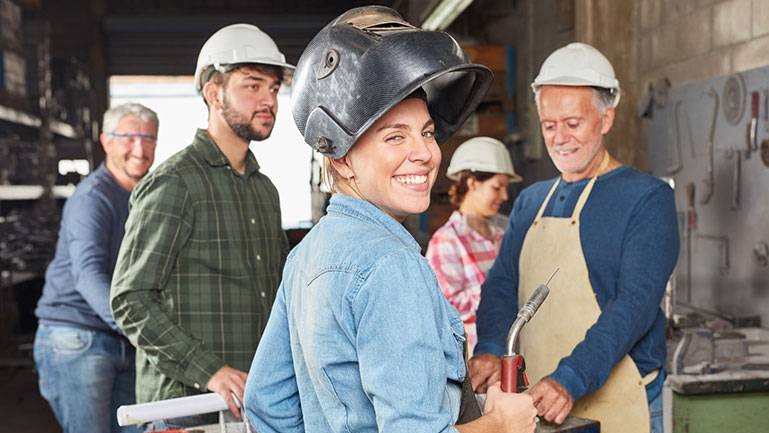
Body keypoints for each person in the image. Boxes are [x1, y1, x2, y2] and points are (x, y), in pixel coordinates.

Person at [242, 7, 537, 433]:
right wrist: (501, 424)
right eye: (395, 136)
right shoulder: (391, 265)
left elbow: (267, 403)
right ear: (341, 159)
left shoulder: (305, 256)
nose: (425, 153)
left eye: (427, 132)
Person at [469, 42, 679, 433]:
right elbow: (502, 285)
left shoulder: (647, 199)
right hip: (538, 400)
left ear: (606, 118)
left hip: (622, 400)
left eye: (573, 123)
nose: (560, 137)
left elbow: (633, 305)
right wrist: (491, 348)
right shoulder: (530, 201)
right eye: (549, 125)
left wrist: (571, 377)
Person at [110, 23, 293, 428]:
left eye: (274, 88)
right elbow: (130, 299)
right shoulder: (174, 183)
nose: (268, 100)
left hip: (252, 406)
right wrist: (209, 370)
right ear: (214, 92)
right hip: (184, 408)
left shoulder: (265, 191)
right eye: (252, 86)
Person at [33, 103, 159, 433]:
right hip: (78, 335)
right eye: (129, 138)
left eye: (148, 139)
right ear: (106, 141)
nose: (140, 149)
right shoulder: (93, 197)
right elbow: (89, 275)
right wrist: (140, 330)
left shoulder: (145, 195)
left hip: (120, 337)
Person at [426, 136, 522, 356]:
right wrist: (503, 290)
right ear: (472, 183)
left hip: (515, 351)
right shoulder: (447, 241)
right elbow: (448, 307)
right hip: (477, 359)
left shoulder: (504, 233)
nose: (504, 196)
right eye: (497, 187)